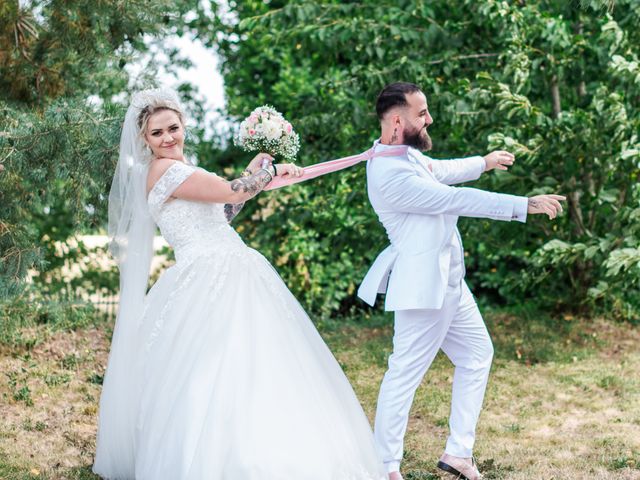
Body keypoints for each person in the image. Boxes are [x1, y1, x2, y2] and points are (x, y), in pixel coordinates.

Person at [93, 88, 388, 480]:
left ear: (184, 126)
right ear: (145, 140)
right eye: (157, 133)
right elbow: (234, 189)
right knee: (215, 367)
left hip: (229, 265)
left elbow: (225, 210)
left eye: (173, 128)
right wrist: (270, 173)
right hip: (209, 273)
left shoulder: (184, 170)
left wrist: (256, 172)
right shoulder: (164, 171)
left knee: (255, 361)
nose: (168, 138)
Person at [357, 82, 565, 480]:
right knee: (404, 374)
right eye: (422, 113)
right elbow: (456, 199)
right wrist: (525, 205)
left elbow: (442, 169)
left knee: (476, 354)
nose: (429, 119)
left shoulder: (404, 154)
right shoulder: (388, 173)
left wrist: (483, 162)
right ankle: (384, 466)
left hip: (451, 282)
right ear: (398, 120)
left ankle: (458, 453)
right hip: (424, 289)